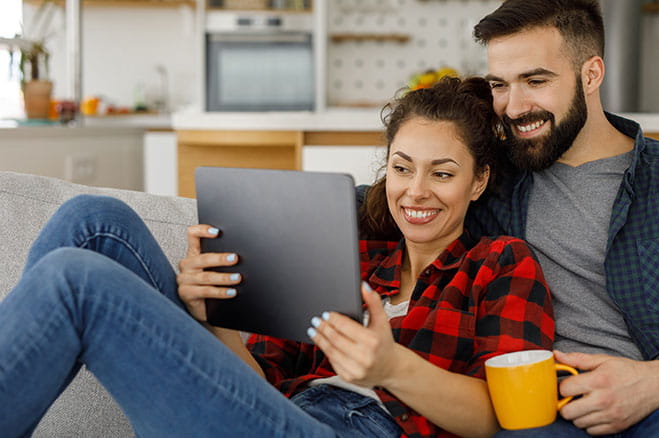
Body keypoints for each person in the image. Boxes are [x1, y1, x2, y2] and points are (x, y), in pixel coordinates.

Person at [0, 76, 554, 438]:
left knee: (76, 282)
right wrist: (211, 314)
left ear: (479, 181)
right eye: (403, 167)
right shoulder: (354, 258)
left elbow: (503, 417)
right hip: (276, 418)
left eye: (443, 173)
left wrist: (392, 368)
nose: (415, 191)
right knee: (93, 222)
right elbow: (254, 387)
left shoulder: (500, 263)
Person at [460, 0, 659, 437]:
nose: (514, 107)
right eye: (499, 85)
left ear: (591, 74)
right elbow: (396, 200)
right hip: (547, 408)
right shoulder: (485, 181)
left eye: (535, 80)